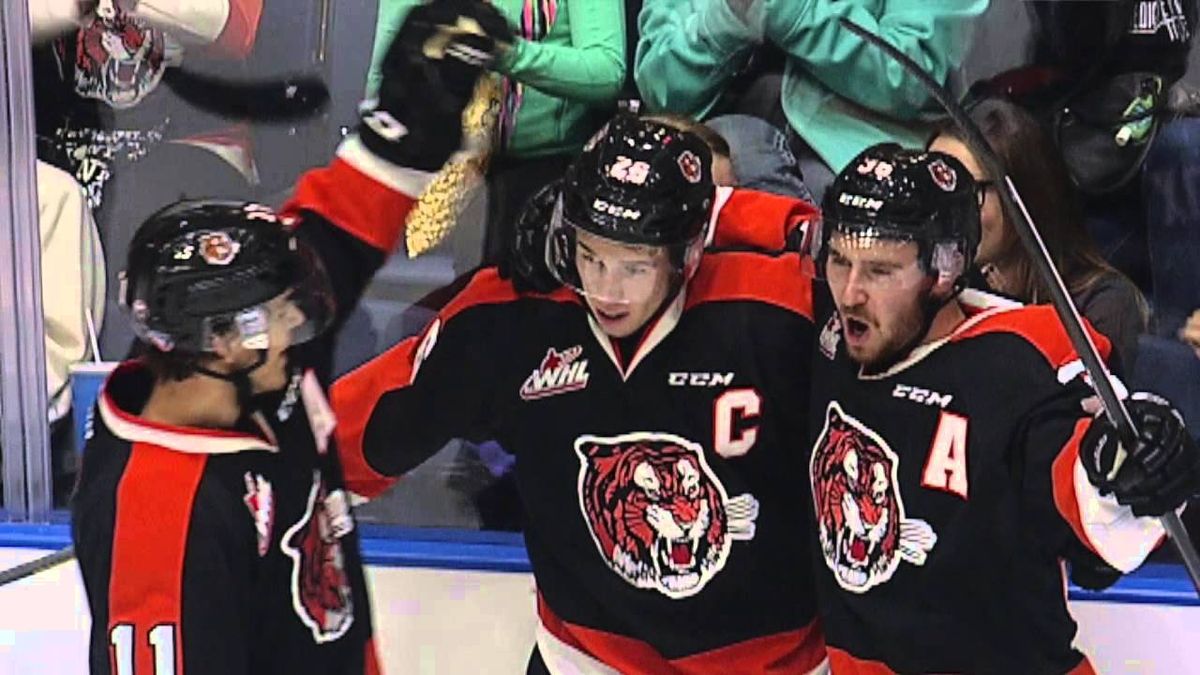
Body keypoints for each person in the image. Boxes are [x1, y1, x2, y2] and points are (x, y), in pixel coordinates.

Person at [69, 1, 506, 671]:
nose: (298, 320)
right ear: (220, 343)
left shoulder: (242, 352)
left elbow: (333, 225)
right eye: (279, 313)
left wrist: (411, 122)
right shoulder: (157, 517)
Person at [331, 114, 829, 673]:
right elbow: (364, 428)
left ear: (691, 250)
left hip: (771, 662)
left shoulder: (780, 305)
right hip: (586, 659)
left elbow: (883, 275)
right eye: (591, 256)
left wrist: (752, 215)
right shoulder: (516, 315)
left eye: (635, 266)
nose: (606, 290)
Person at [803, 143, 1200, 673]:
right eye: (839, 259)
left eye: (879, 271)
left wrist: (1125, 461)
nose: (849, 293)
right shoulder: (825, 336)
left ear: (944, 271)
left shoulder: (1017, 362)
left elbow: (1076, 478)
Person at [633, 0, 988, 201]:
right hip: (712, 160)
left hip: (860, 162)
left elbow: (915, 77)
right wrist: (724, 20)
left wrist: (789, 11)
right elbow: (659, 88)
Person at [928, 97, 1148, 372]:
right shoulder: (933, 292)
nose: (942, 213)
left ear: (1023, 195)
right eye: (931, 192)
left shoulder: (1103, 303)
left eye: (967, 194)